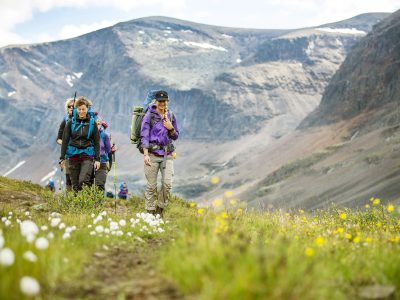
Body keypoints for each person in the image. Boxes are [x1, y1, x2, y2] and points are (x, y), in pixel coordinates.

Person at [141, 90, 179, 217]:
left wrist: (170, 128)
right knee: (151, 186)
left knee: (167, 184)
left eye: (164, 101)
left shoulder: (171, 116)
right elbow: (144, 136)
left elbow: (175, 136)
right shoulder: (149, 116)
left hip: (167, 154)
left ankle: (160, 209)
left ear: (167, 101)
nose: (162, 103)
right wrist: (145, 154)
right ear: (155, 101)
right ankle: (150, 213)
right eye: (160, 101)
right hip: (152, 154)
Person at [59, 96, 100, 192]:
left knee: (83, 181)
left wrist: (97, 159)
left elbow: (97, 142)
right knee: (75, 185)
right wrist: (62, 158)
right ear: (76, 109)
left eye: (83, 109)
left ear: (87, 109)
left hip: (87, 155)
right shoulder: (70, 123)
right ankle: (78, 206)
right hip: (73, 156)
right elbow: (65, 140)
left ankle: (85, 204)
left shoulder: (92, 123)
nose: (81, 111)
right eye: (79, 109)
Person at [56, 98, 74, 191]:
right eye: (69, 106)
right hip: (68, 154)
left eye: (73, 106)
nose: (71, 108)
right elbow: (58, 139)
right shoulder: (65, 120)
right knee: (69, 178)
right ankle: (70, 200)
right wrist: (65, 143)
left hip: (81, 153)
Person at [94, 117, 117, 191]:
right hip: (89, 162)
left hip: (102, 162)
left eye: (99, 124)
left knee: (99, 185)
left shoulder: (104, 135)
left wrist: (109, 164)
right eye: (95, 124)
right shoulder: (88, 135)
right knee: (89, 185)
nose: (97, 126)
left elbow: (109, 151)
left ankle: (98, 202)